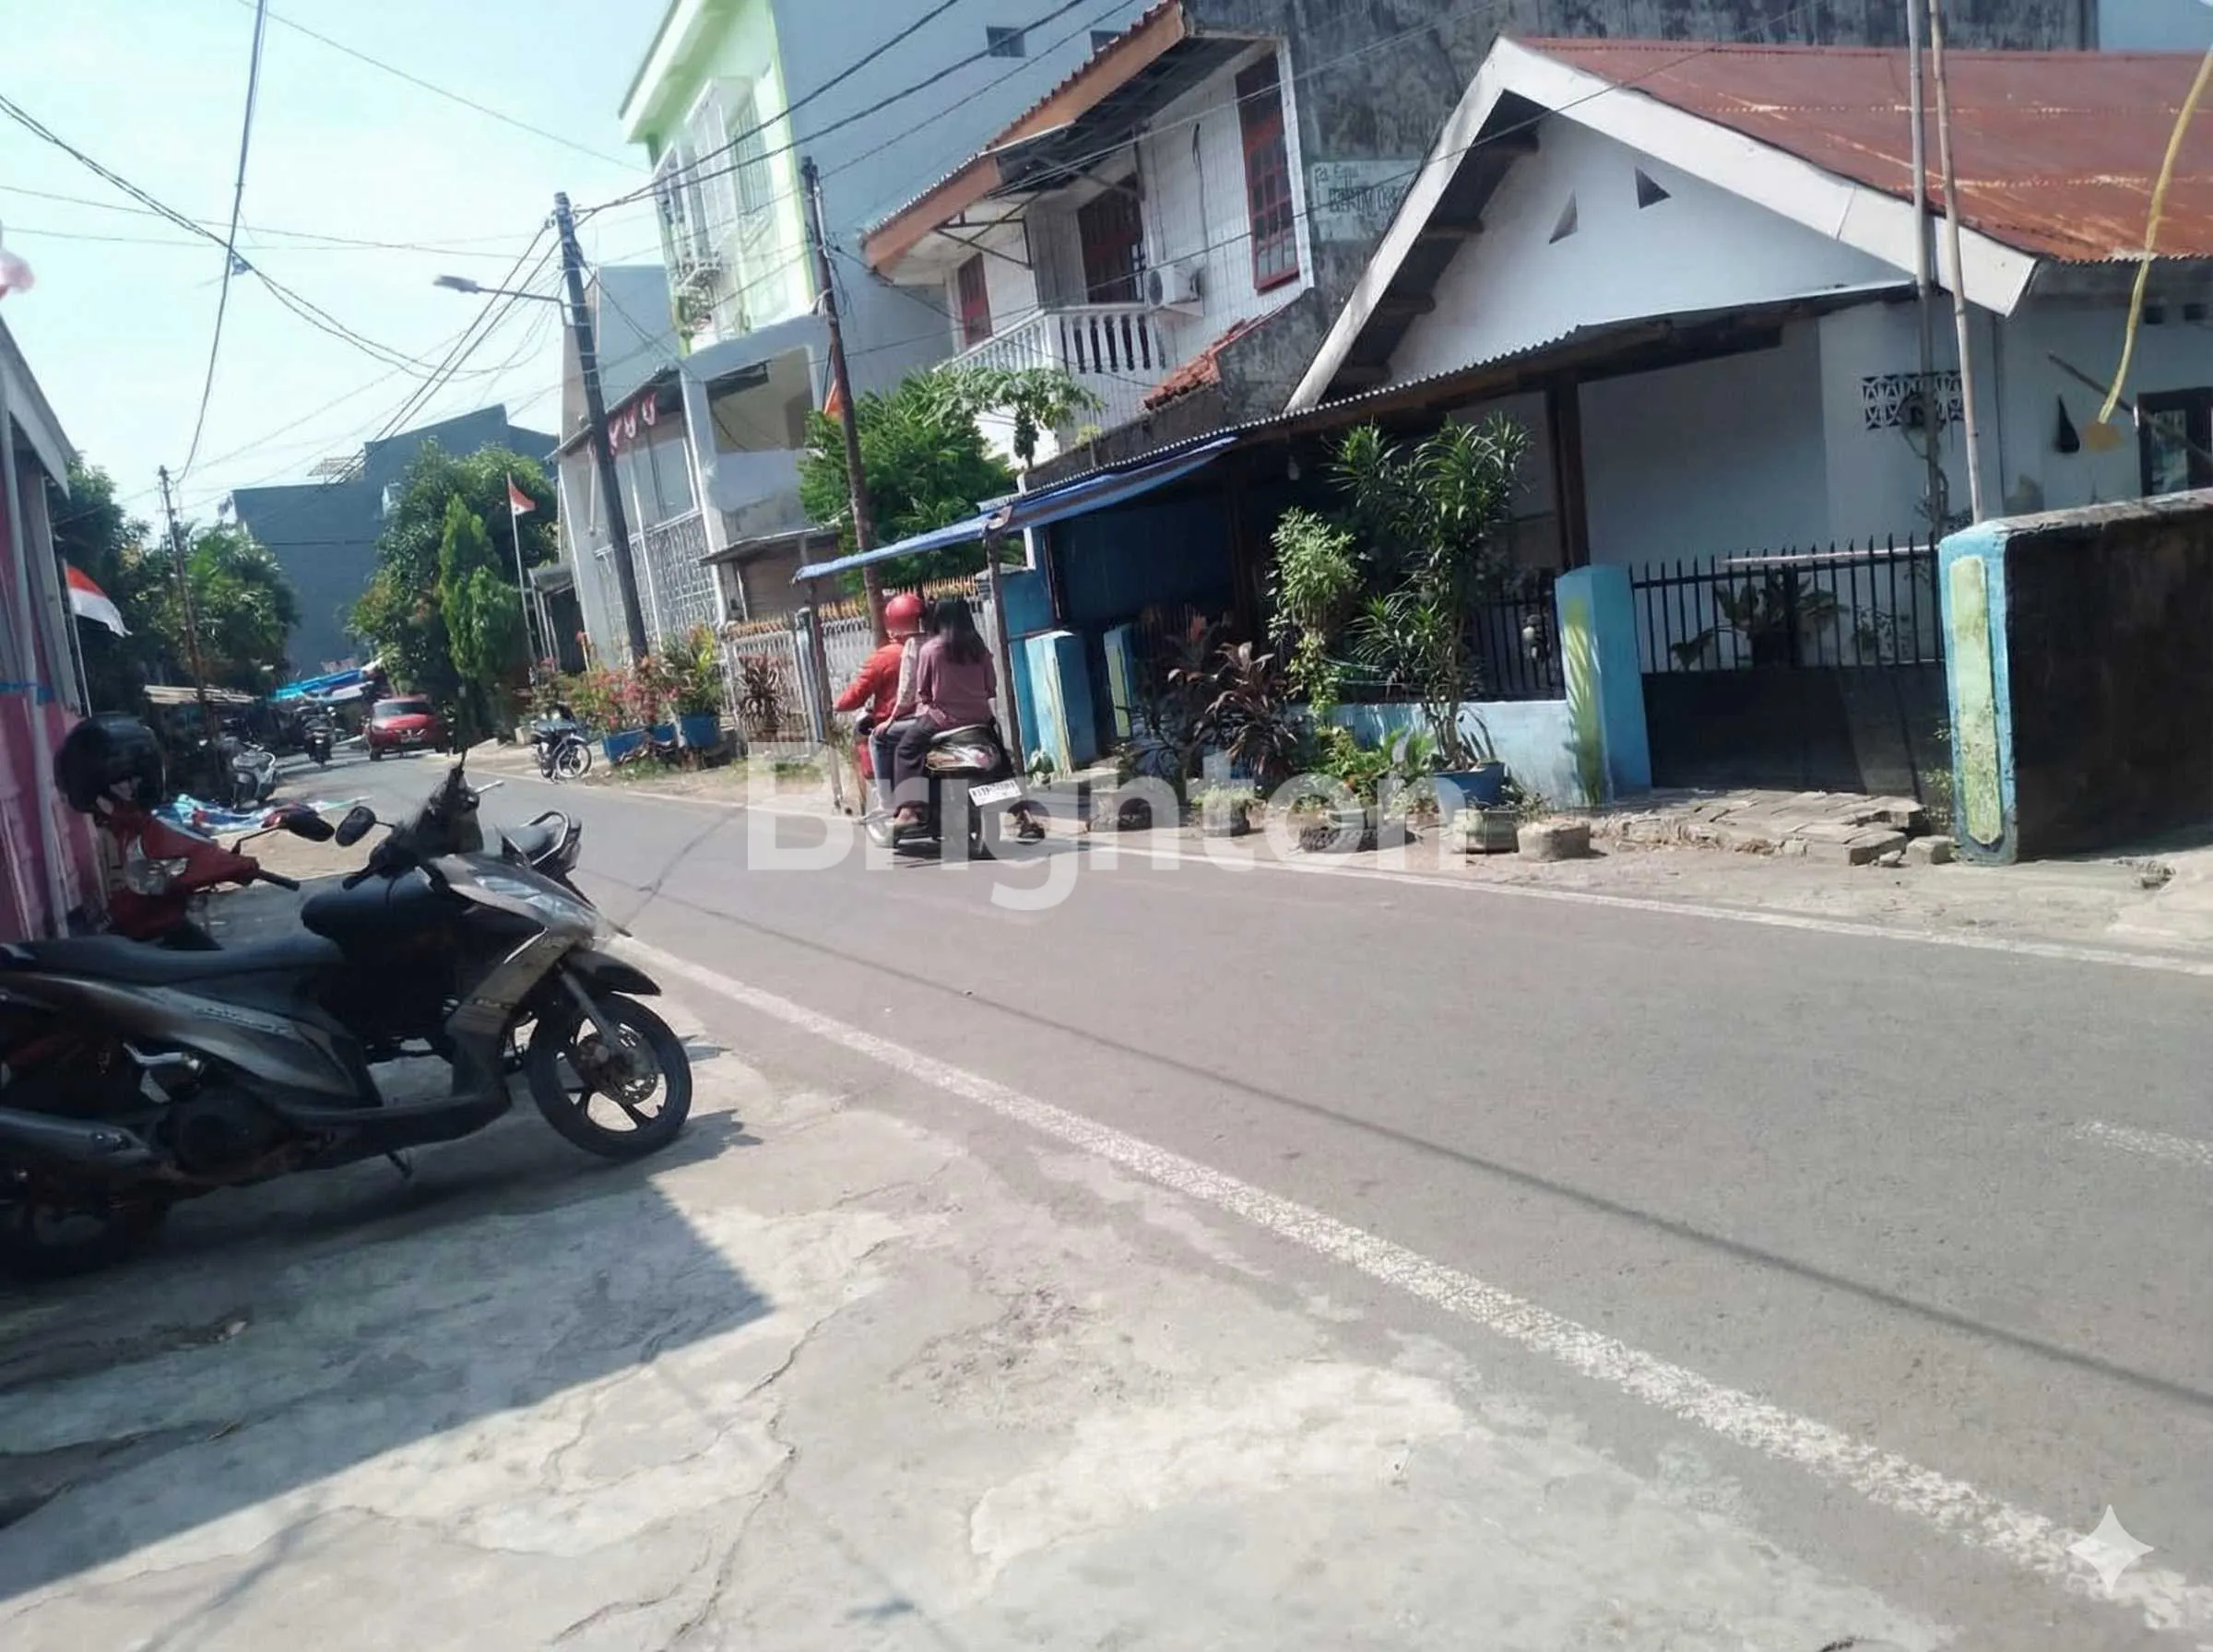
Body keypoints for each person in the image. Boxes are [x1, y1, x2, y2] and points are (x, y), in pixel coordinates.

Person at [892, 596, 997, 824]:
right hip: (981, 719)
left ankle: (909, 809)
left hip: (942, 720)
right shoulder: (981, 650)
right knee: (1000, 757)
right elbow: (991, 688)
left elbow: (923, 692)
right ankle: (1022, 813)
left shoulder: (930, 650)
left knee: (906, 749)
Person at [833, 592, 927, 805]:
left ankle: (888, 800)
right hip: (936, 718)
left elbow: (858, 692)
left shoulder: (886, 656)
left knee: (876, 739)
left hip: (901, 720)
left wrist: (837, 704)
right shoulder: (935, 645)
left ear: (890, 622)